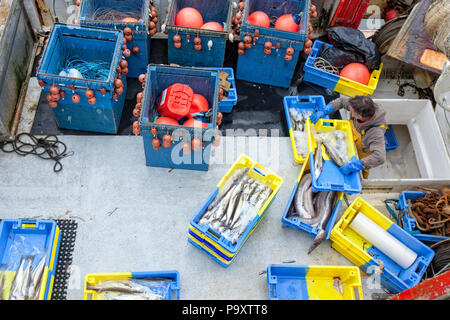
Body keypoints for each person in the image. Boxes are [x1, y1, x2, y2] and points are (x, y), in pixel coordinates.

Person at [310, 96, 387, 179]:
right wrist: (324, 111)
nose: (350, 112)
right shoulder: (360, 103)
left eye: (352, 112)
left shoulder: (376, 132)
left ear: (360, 116)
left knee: (359, 174)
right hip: (347, 135)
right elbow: (342, 101)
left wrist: (354, 166)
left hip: (360, 152)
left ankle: (361, 179)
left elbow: (380, 157)